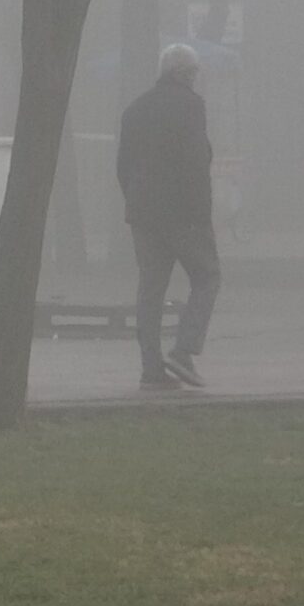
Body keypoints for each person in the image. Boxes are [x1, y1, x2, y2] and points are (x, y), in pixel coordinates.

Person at [115, 43, 221, 390]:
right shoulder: (191, 106)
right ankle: (184, 350)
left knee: (151, 290)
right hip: (183, 214)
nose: (196, 79)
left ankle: (151, 371)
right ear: (185, 73)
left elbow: (123, 166)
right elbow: (195, 164)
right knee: (207, 276)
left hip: (143, 215)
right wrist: (202, 214)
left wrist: (135, 201)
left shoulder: (134, 110)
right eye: (194, 73)